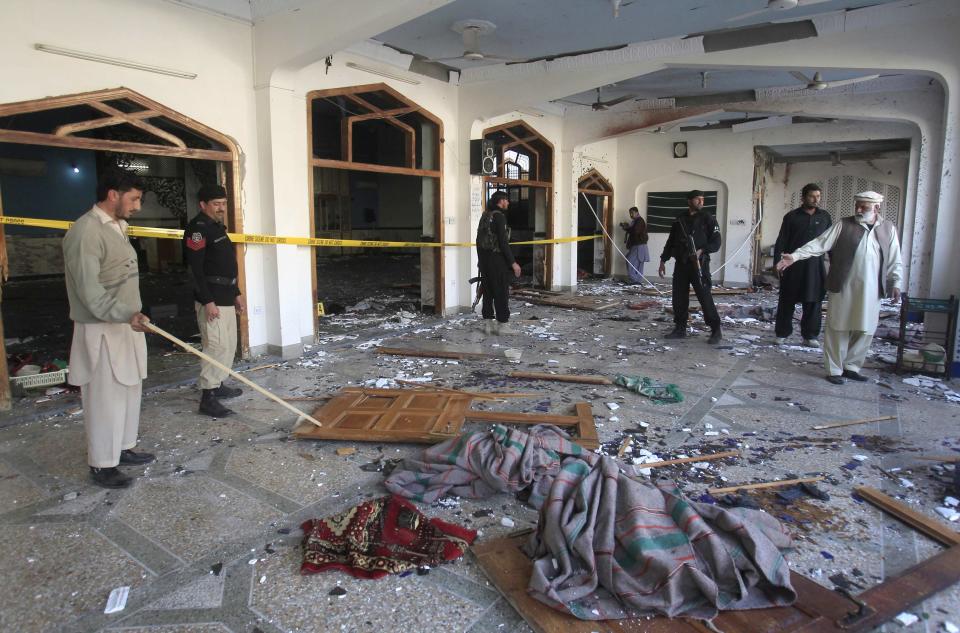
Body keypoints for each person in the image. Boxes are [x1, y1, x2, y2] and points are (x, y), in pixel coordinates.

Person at [63, 169, 154, 489]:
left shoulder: (118, 226)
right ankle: (102, 464)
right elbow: (89, 291)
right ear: (113, 194)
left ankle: (123, 447)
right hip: (101, 328)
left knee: (130, 388)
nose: (137, 206)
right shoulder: (85, 231)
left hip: (127, 324)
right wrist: (123, 314)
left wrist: (133, 316)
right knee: (105, 397)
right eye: (134, 199)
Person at [777, 191, 902, 384]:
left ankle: (852, 366)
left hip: (871, 288)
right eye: (857, 205)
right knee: (838, 327)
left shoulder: (888, 229)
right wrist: (794, 256)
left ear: (877, 208)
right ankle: (834, 369)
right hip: (843, 285)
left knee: (866, 329)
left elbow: (895, 259)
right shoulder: (844, 225)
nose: (859, 210)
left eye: (864, 207)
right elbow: (819, 243)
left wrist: (896, 283)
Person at [183, 184, 244, 417]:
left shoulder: (217, 227)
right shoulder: (197, 230)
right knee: (215, 345)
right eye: (216, 204)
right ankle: (207, 397)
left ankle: (218, 385)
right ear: (203, 205)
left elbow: (227, 265)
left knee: (228, 345)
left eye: (223, 203)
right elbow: (195, 270)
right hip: (212, 299)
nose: (221, 208)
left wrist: (236, 292)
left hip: (226, 296)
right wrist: (207, 301)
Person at [658, 190, 723, 344]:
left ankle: (715, 330)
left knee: (704, 297)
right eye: (697, 199)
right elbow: (671, 241)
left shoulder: (708, 218)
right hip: (681, 264)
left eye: (702, 199)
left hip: (699, 265)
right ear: (689, 201)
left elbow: (716, 242)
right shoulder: (680, 219)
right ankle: (680, 328)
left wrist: (702, 250)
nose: (701, 202)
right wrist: (663, 260)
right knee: (679, 298)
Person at [773, 183, 832, 347]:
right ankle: (782, 333)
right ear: (803, 197)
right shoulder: (791, 216)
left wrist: (834, 266)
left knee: (813, 302)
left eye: (818, 196)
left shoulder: (825, 217)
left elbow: (830, 242)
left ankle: (810, 336)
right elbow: (782, 240)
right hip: (792, 266)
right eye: (812, 196)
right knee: (787, 300)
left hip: (816, 266)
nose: (816, 199)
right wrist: (777, 263)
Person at [476, 191, 521, 335]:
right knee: (501, 291)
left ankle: (487, 324)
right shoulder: (499, 217)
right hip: (497, 260)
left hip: (484, 260)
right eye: (506, 200)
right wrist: (513, 263)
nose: (508, 203)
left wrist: (481, 262)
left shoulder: (485, 215)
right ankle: (503, 325)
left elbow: (478, 241)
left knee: (488, 291)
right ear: (500, 201)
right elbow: (503, 243)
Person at [620, 206, 649, 283]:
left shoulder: (639, 221)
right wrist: (628, 227)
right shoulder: (636, 221)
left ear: (637, 212)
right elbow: (634, 230)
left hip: (639, 245)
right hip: (637, 245)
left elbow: (635, 231)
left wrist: (627, 228)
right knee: (637, 263)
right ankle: (636, 280)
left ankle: (634, 279)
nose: (631, 215)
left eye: (632, 213)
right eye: (630, 213)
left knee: (630, 261)